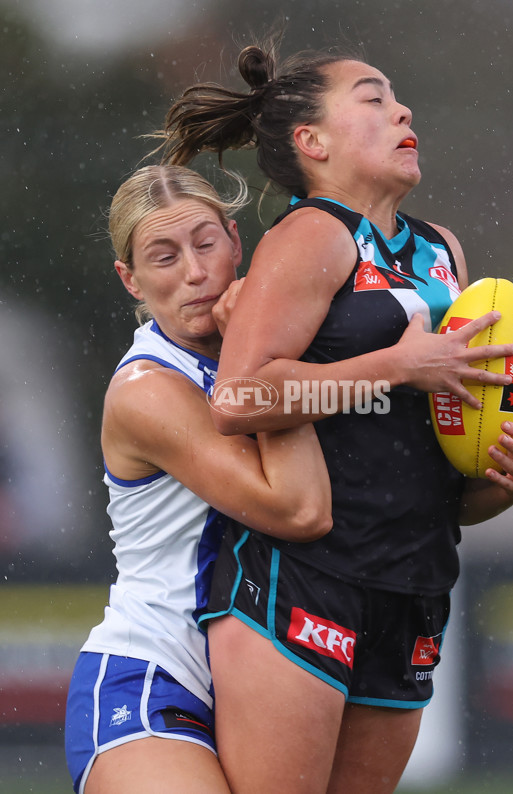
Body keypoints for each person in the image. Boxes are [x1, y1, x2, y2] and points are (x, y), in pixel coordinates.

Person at [160, 43, 513, 794]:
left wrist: (509, 456)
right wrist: (395, 367)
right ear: (311, 143)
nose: (402, 110)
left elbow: (441, 469)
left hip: (413, 579)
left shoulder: (442, 251)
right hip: (307, 578)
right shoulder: (311, 236)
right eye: (372, 99)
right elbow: (238, 401)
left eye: (398, 98)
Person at [63, 164, 333, 794]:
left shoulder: (294, 346)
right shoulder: (146, 390)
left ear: (236, 244)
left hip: (267, 678)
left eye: (206, 244)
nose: (194, 272)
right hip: (151, 675)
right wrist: (261, 352)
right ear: (129, 278)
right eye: (163, 256)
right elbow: (300, 510)